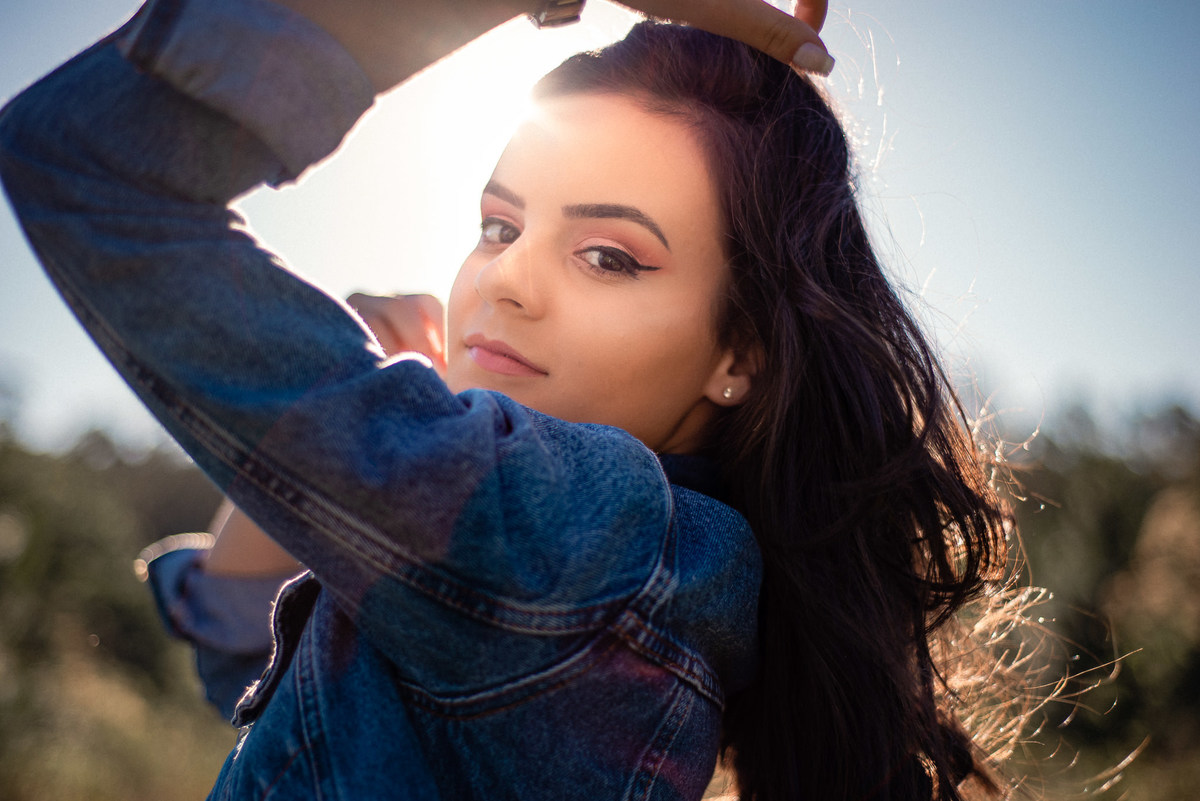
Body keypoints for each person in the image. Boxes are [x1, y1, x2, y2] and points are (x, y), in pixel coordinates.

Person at [0, 0, 1017, 799]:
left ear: (740, 354)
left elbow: (88, 160)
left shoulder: (584, 540)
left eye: (609, 255)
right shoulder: (654, 575)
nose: (508, 278)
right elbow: (240, 647)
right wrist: (379, 431)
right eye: (499, 226)